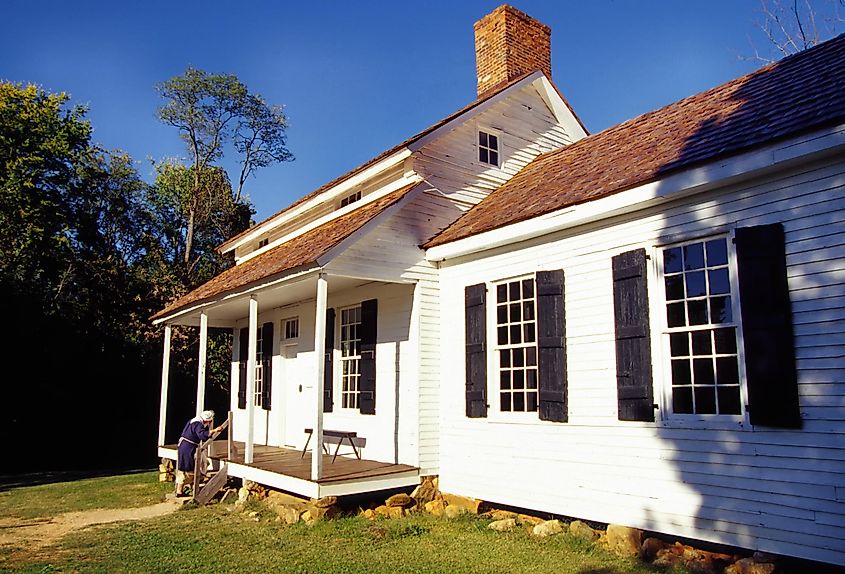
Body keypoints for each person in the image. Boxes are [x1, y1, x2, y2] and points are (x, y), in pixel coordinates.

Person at [175, 410, 223, 496]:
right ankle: (184, 489)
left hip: (186, 446)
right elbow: (202, 435)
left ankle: (183, 489)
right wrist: (214, 430)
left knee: (188, 467)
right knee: (187, 468)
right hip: (188, 447)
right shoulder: (198, 424)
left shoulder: (193, 421)